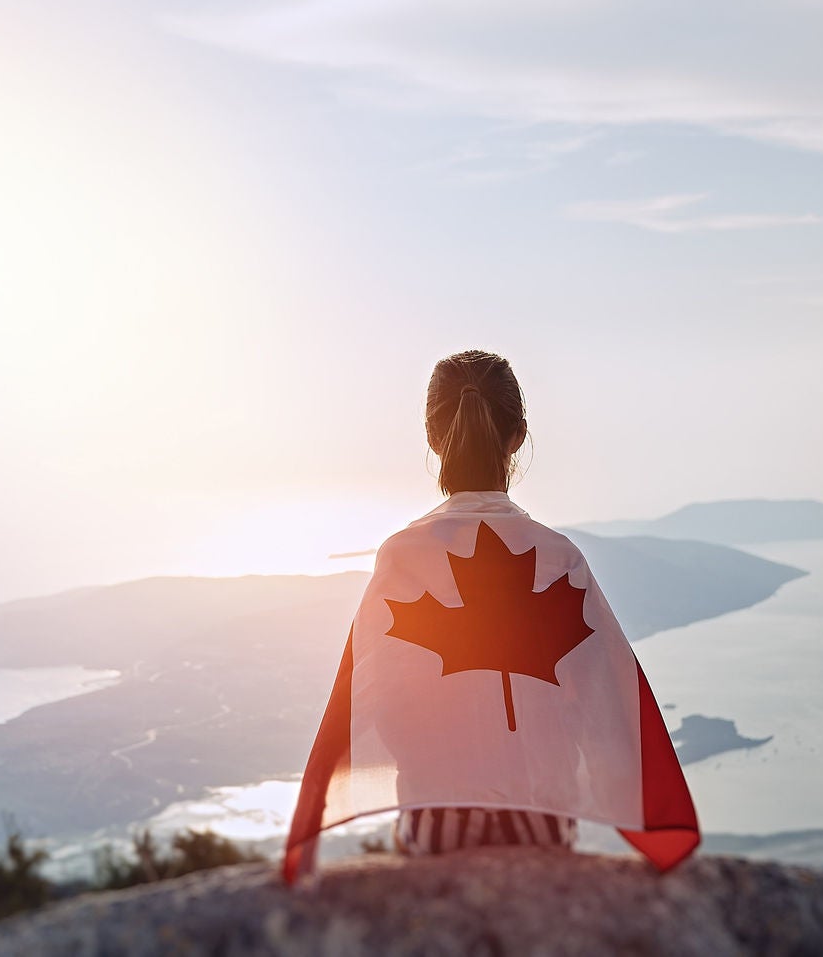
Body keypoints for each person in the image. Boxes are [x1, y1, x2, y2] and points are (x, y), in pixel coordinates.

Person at [281, 349, 699, 881]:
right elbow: (609, 706)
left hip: (434, 830)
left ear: (433, 439)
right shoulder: (557, 558)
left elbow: (372, 700)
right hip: (545, 831)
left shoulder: (403, 556)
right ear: (518, 437)